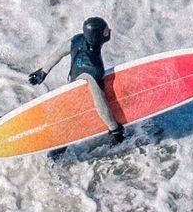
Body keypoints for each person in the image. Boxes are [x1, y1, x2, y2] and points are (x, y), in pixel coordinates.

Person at [28, 16, 125, 146]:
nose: (109, 31)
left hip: (72, 82)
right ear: (98, 37)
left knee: (67, 118)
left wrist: (43, 71)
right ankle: (59, 150)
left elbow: (59, 53)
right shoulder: (94, 69)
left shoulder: (76, 40)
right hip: (83, 91)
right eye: (106, 31)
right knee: (73, 121)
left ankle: (58, 145)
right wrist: (114, 129)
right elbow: (100, 104)